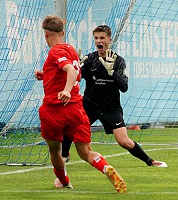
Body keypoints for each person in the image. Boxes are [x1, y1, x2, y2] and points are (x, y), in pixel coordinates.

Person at [34, 15, 126, 193]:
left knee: (55, 149)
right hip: (76, 109)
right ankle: (106, 167)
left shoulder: (55, 51)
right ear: (63, 32)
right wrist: (46, 75)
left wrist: (66, 90)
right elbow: (74, 74)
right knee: (86, 152)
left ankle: (64, 180)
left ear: (46, 35)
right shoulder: (71, 49)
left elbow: (69, 70)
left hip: (55, 109)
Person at [61, 25, 167, 168]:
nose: (99, 41)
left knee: (124, 141)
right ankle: (64, 155)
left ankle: (150, 161)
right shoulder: (91, 58)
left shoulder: (118, 61)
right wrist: (77, 67)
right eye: (96, 38)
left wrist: (112, 73)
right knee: (70, 128)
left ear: (109, 40)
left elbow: (124, 87)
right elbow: (78, 78)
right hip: (90, 104)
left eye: (102, 38)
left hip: (110, 107)